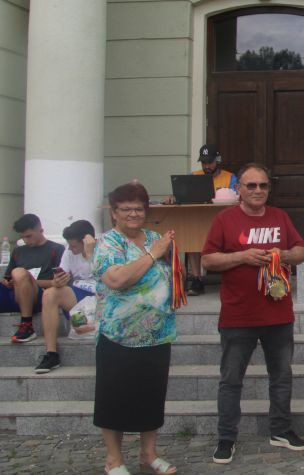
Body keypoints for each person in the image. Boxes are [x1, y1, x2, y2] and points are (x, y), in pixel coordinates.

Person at [201, 163, 304, 465]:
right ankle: (226, 438)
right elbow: (208, 260)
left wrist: (281, 255)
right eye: (251, 185)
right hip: (238, 315)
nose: (258, 190)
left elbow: (302, 251)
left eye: (263, 185)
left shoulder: (280, 217)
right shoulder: (225, 220)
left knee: (281, 376)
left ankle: (281, 430)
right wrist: (242, 257)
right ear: (239, 189)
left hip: (278, 313)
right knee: (231, 379)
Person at [92, 182, 178, 475]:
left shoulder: (154, 237)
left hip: (157, 333)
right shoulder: (109, 243)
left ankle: (148, 454)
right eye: (126, 209)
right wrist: (153, 255)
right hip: (119, 335)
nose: (133, 214)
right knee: (113, 397)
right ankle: (113, 459)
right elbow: (116, 280)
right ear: (114, 213)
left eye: (139, 209)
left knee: (151, 397)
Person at [163, 143, 238, 296]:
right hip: (199, 220)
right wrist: (173, 197)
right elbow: (182, 196)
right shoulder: (193, 176)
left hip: (223, 222)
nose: (206, 166)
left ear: (217, 160)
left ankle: (232, 277)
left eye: (210, 162)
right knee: (192, 237)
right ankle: (197, 279)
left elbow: (237, 199)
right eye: (203, 162)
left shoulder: (230, 178)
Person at [34, 220, 98, 374]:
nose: (70, 249)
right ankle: (51, 354)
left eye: (74, 246)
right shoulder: (69, 253)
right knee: (50, 293)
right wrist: (58, 281)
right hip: (79, 302)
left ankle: (88, 327)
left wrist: (90, 254)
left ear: (87, 241)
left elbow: (108, 279)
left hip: (102, 301)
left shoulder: (105, 250)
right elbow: (61, 275)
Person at [0, 214, 64, 343]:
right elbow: (8, 277)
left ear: (41, 230)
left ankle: (27, 325)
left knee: (19, 272)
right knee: (17, 275)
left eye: (28, 236)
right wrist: (8, 282)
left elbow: (59, 282)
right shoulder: (18, 251)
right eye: (22, 237)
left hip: (40, 296)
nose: (25, 240)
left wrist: (27, 280)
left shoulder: (56, 249)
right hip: (16, 293)